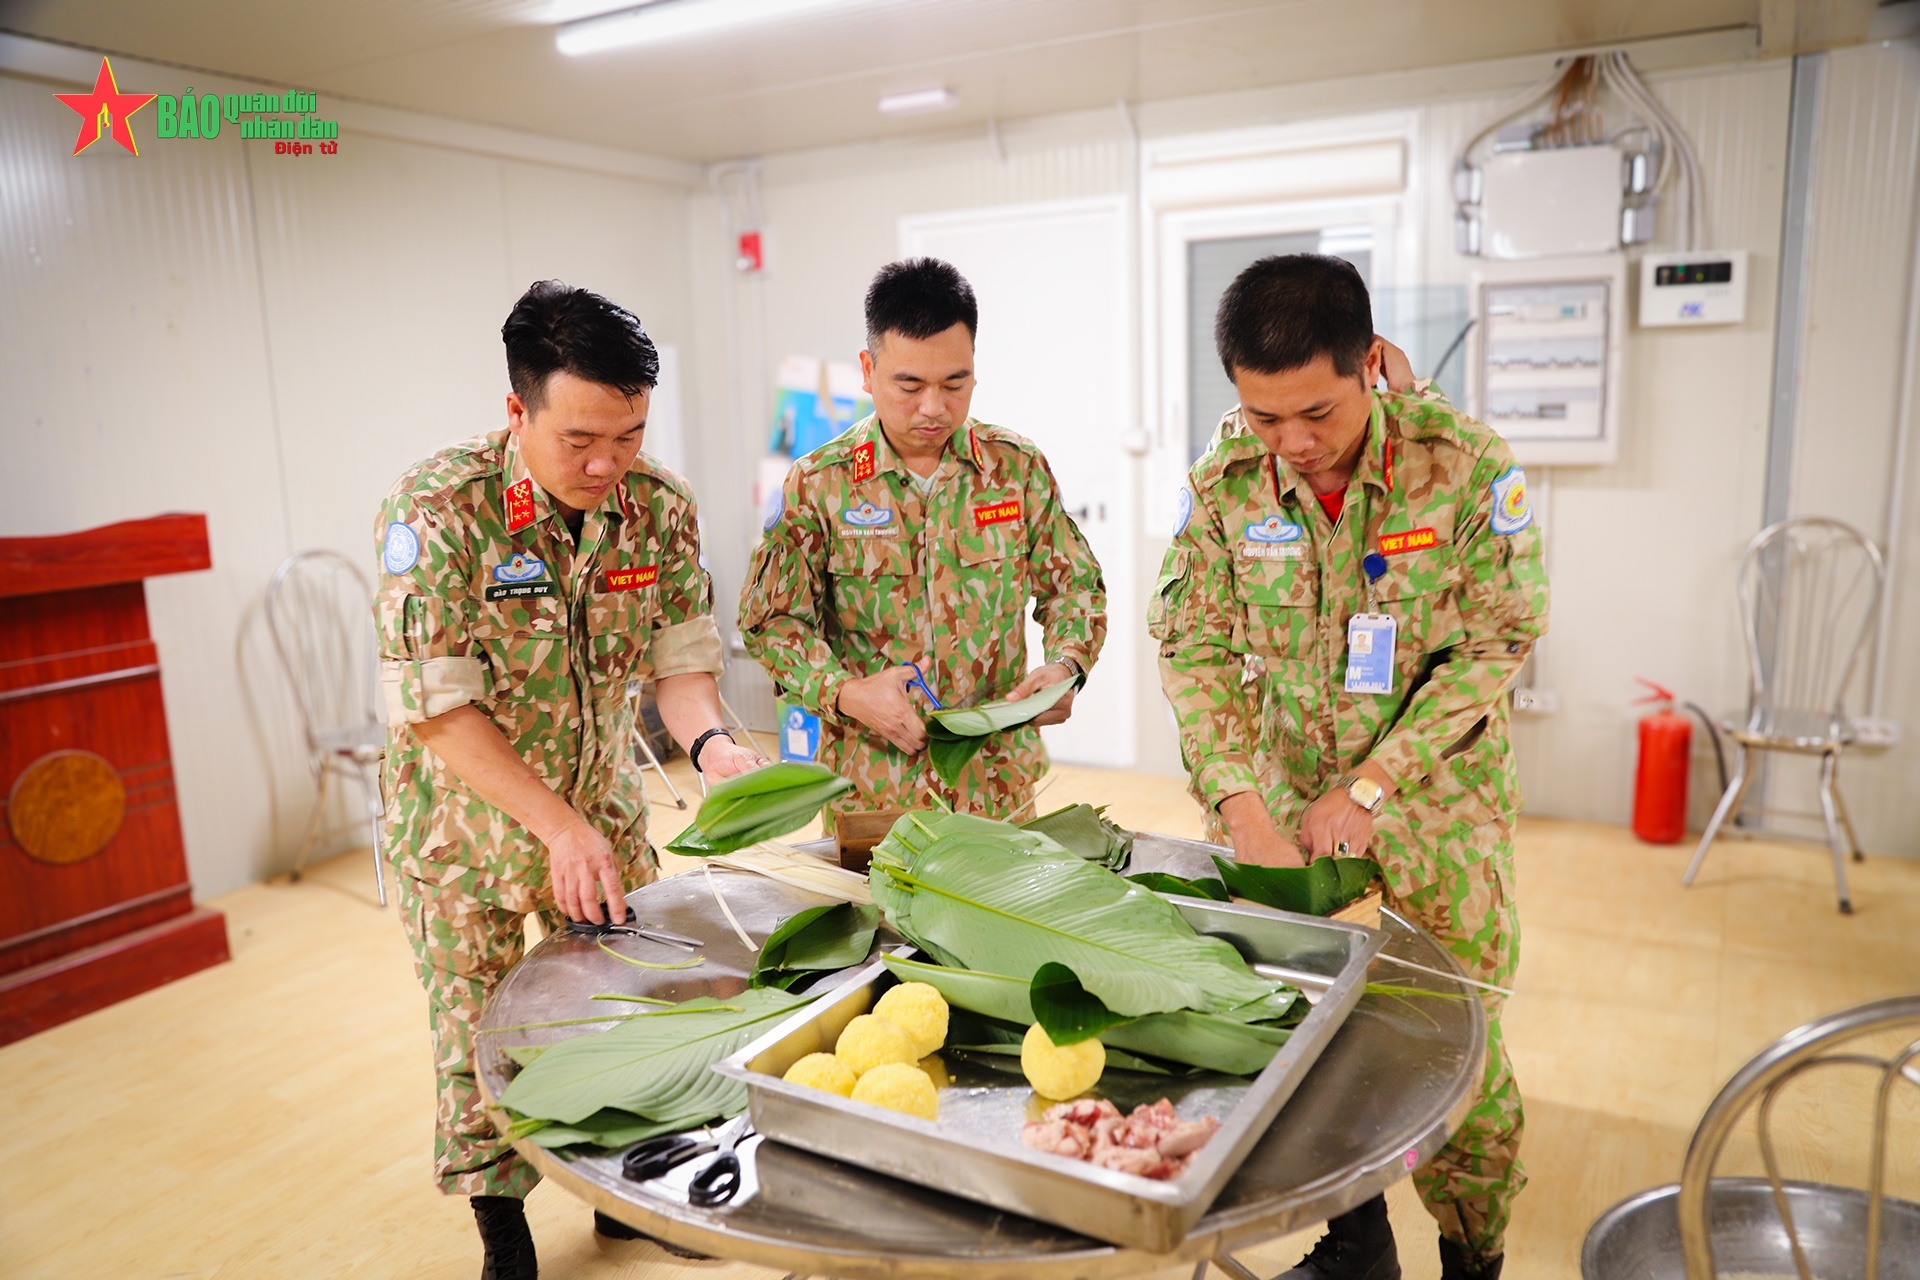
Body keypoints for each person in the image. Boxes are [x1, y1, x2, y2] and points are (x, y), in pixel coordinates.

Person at [1150, 254, 1548, 1280]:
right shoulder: (1230, 473)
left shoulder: (1462, 463)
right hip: (1281, 809)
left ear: (1370, 363)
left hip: (1436, 814)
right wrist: (1240, 801)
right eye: (1261, 414)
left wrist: (1373, 782)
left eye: (1316, 413)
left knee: (1451, 1053)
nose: (1291, 443)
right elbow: (1192, 643)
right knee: (1311, 1033)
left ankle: (1473, 1254)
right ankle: (1357, 1239)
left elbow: (1500, 639)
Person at [374, 280, 766, 1279]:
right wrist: (554, 825)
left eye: (628, 435)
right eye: (581, 438)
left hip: (599, 808)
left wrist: (716, 746)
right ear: (519, 411)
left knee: (629, 1002)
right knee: (477, 1035)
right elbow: (441, 706)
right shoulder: (440, 512)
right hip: (460, 829)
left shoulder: (659, 509)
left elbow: (680, 667)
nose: (606, 463)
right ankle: (505, 1237)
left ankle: (626, 1198)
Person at [739, 258, 1106, 819]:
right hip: (872, 786)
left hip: (995, 781)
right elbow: (772, 620)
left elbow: (1075, 585)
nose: (933, 408)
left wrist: (1065, 665)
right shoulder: (820, 482)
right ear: (867, 370)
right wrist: (845, 693)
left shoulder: (1016, 469)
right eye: (909, 385)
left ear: (974, 370)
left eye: (954, 384)